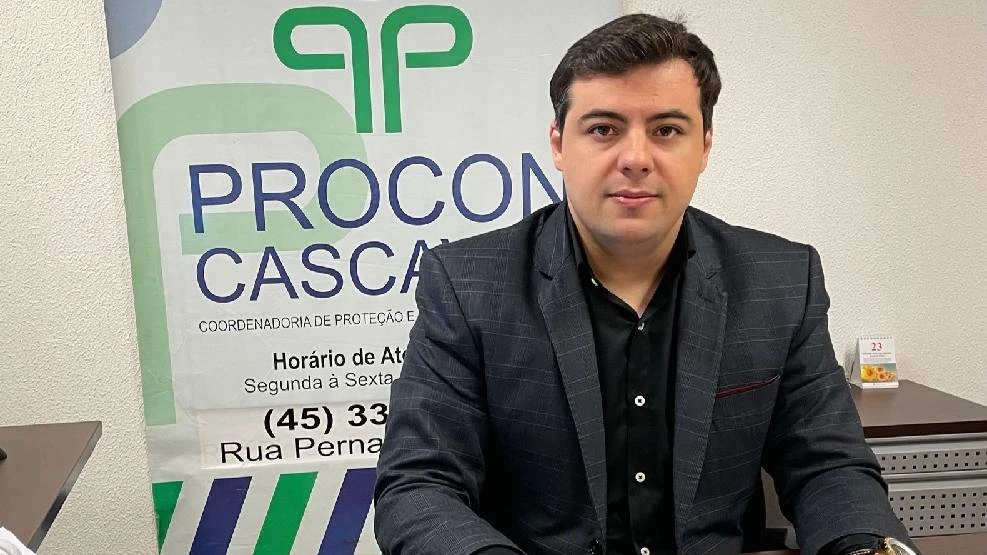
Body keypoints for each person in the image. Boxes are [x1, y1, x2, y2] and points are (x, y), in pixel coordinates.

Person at [374, 13, 917, 555]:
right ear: (559, 144)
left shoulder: (781, 280)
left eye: (666, 130)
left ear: (704, 145)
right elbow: (419, 486)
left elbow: (828, 466)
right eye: (603, 129)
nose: (635, 159)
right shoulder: (468, 285)